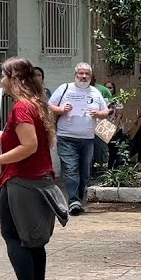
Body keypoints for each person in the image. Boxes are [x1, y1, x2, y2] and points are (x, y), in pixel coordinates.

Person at [0, 57, 61, 280]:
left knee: (14, 236)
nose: (1, 81)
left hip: (22, 180)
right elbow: (21, 139)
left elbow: (29, 146)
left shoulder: (21, 108)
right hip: (36, 179)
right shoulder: (37, 104)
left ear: (14, 78)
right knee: (33, 239)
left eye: (3, 75)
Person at [48, 62, 111, 215]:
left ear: (91, 76)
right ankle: (73, 200)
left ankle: (79, 200)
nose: (83, 76)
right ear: (75, 75)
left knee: (84, 172)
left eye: (86, 74)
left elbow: (106, 112)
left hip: (88, 138)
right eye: (80, 73)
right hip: (66, 137)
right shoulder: (65, 88)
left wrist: (98, 114)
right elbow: (50, 105)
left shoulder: (95, 92)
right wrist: (62, 110)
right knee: (70, 168)